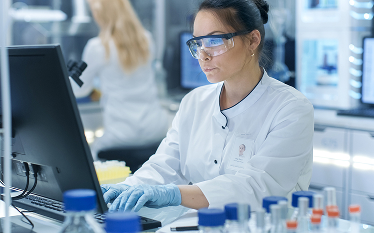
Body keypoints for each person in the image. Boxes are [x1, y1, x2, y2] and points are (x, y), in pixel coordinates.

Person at [101, 0, 314, 212]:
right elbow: (164, 166)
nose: (203, 55)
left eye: (214, 41)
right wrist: (124, 189)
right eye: (198, 43)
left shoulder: (291, 109)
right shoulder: (194, 102)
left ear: (252, 40)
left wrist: (174, 194)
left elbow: (258, 186)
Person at [72, 0, 169, 160]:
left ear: (101, 13)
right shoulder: (147, 39)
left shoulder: (97, 47)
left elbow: (79, 89)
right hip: (155, 129)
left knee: (88, 157)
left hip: (120, 136)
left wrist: (73, 72)